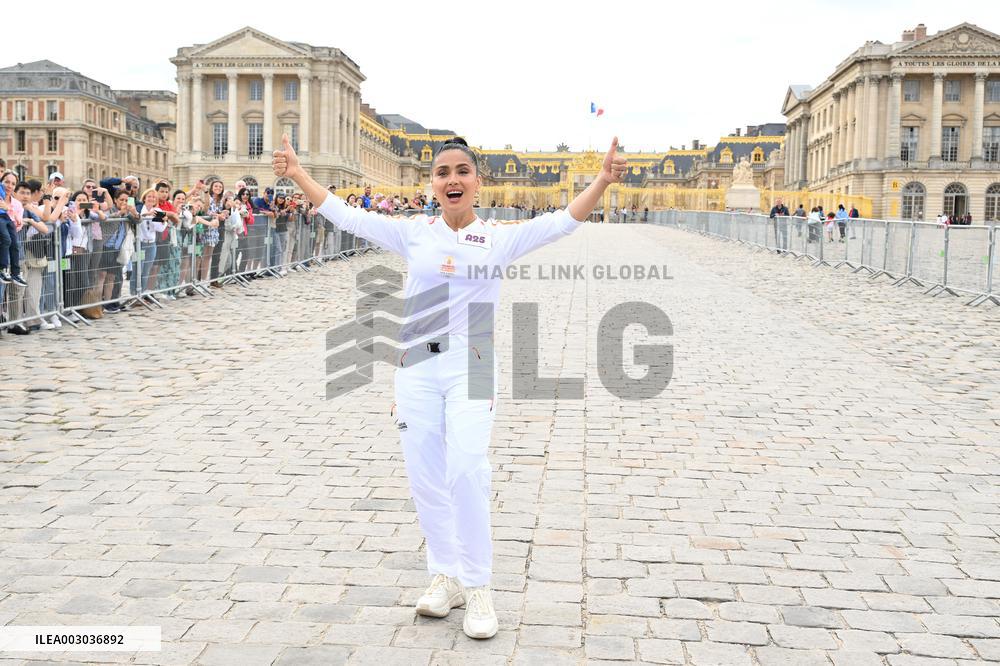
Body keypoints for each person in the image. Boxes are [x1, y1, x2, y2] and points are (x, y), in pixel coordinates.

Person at [272, 132, 628, 640]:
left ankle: (479, 585)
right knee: (425, 474)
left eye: (462, 171)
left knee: (467, 468)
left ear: (477, 181)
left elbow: (561, 223)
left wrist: (601, 181)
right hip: (417, 363)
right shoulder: (414, 233)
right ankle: (445, 576)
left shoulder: (500, 237)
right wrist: (299, 174)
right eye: (443, 173)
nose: (452, 179)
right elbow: (346, 215)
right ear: (432, 184)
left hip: (474, 359)